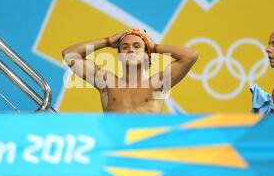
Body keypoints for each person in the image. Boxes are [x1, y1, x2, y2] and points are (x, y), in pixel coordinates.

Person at [62, 29, 198, 113]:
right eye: (125, 47)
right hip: (115, 149)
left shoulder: (158, 83)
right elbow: (69, 54)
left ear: (146, 55)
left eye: (137, 46)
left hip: (144, 151)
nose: (131, 50)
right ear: (119, 55)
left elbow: (190, 56)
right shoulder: (107, 83)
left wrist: (154, 46)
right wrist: (108, 41)